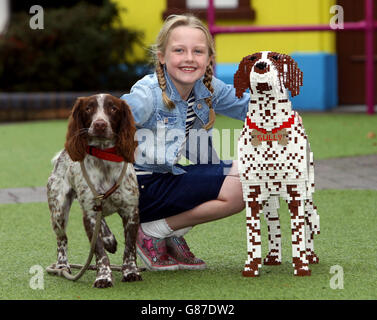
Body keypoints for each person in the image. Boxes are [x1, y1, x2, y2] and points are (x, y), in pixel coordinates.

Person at [121, 14, 297, 271]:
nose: (189, 58)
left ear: (209, 58)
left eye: (198, 51)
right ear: (162, 56)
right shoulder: (147, 94)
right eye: (179, 50)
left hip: (170, 177)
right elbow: (111, 121)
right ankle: (153, 230)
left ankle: (164, 229)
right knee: (243, 181)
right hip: (139, 187)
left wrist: (275, 91)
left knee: (254, 175)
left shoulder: (207, 88)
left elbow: (251, 108)